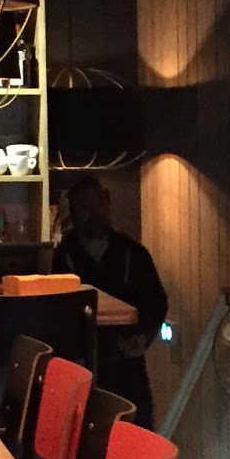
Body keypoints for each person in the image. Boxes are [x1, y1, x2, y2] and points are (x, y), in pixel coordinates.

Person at [53, 175, 166, 428]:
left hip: (127, 366)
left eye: (97, 204)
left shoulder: (133, 253)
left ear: (107, 202)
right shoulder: (64, 256)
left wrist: (144, 335)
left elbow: (156, 302)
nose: (93, 213)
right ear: (73, 211)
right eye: (84, 207)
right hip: (82, 366)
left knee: (133, 432)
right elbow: (57, 313)